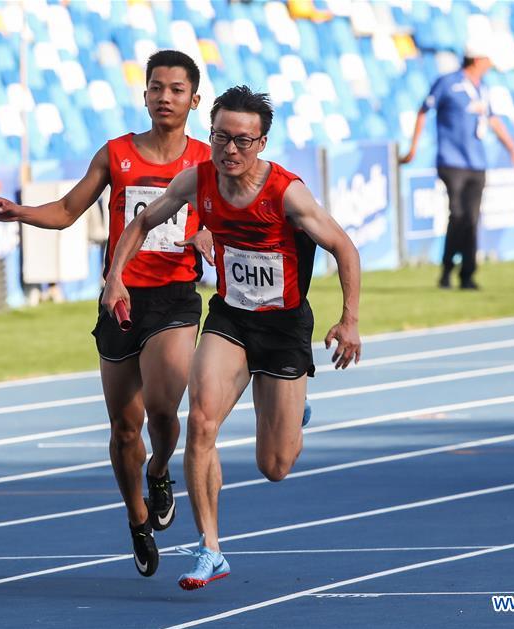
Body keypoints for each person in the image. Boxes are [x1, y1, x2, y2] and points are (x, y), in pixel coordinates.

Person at [101, 86, 363, 590]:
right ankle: (210, 549)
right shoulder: (197, 179)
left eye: (242, 141)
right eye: (221, 137)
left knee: (275, 465)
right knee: (200, 422)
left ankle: (292, 404)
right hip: (231, 320)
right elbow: (142, 221)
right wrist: (116, 276)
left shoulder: (287, 192)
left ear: (261, 143)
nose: (230, 151)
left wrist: (348, 320)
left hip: (284, 327)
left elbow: (343, 248)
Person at [0, 50, 213, 578]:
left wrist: (208, 238)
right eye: (156, 87)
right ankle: (136, 517)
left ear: (194, 100)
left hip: (175, 298)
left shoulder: (205, 159)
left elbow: (227, 223)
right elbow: (66, 211)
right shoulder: (116, 155)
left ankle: (160, 471)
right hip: (120, 297)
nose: (165, 97)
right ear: (145, 94)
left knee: (162, 408)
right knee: (124, 428)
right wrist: (16, 212)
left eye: (177, 90)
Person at [400, 40, 514, 290]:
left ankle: (467, 274)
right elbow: (423, 110)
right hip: (452, 160)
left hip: (477, 163)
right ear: (477, 59)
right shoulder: (447, 83)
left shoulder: (484, 88)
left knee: (471, 218)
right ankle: (448, 269)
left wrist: (511, 147)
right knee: (457, 215)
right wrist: (413, 147)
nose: (490, 64)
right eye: (487, 59)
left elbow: (493, 120)